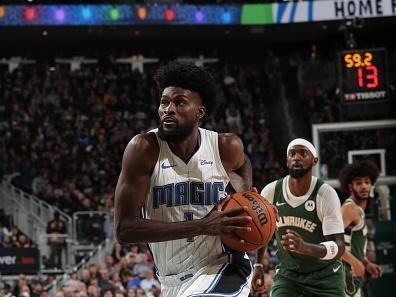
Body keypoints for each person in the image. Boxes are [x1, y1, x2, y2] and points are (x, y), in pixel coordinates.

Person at [114, 61, 254, 297]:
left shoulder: (225, 146)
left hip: (225, 266)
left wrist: (247, 195)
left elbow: (243, 165)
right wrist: (202, 226)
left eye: (179, 102)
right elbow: (124, 229)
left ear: (200, 112)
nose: (168, 109)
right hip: (171, 281)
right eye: (164, 102)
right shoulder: (143, 149)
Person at [252, 138, 345, 296]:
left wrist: (305, 248)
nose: (296, 157)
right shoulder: (271, 191)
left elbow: (339, 246)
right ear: (287, 161)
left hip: (325, 276)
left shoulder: (325, 194)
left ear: (314, 161)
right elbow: (263, 234)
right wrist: (258, 266)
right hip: (289, 276)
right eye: (292, 154)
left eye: (303, 153)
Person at [338, 160, 383, 297]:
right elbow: (331, 240)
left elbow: (351, 245)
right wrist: (355, 262)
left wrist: (365, 262)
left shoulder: (359, 211)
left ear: (371, 184)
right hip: (343, 277)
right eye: (358, 183)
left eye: (367, 182)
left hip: (352, 277)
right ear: (350, 186)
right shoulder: (349, 209)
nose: (364, 186)